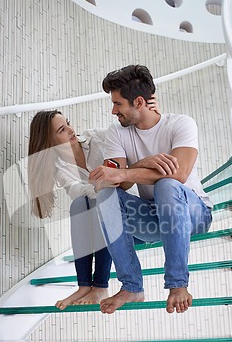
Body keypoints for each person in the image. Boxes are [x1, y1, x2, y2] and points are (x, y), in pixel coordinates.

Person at [89, 65, 213, 315]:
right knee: (105, 196)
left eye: (118, 104)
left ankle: (178, 284)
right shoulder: (116, 132)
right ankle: (132, 286)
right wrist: (142, 164)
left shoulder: (180, 124)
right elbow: (119, 183)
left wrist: (124, 172)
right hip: (156, 219)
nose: (113, 111)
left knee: (167, 185)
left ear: (138, 102)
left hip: (193, 214)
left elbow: (179, 174)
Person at [28, 101, 159, 309]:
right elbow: (76, 191)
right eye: (62, 130)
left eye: (68, 123)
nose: (71, 130)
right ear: (49, 142)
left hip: (135, 218)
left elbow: (131, 131)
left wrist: (149, 112)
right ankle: (84, 285)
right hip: (109, 224)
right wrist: (103, 185)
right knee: (81, 203)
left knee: (104, 201)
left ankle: (100, 285)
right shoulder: (59, 167)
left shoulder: (97, 138)